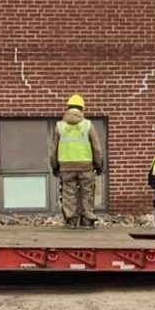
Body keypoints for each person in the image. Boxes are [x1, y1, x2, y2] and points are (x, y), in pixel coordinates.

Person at [49, 96, 102, 228]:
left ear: (68, 108)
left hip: (66, 166)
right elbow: (96, 148)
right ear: (82, 109)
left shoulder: (60, 126)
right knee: (87, 193)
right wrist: (98, 165)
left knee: (69, 194)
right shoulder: (88, 125)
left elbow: (54, 149)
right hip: (86, 166)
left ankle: (71, 220)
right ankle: (87, 220)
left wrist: (54, 166)